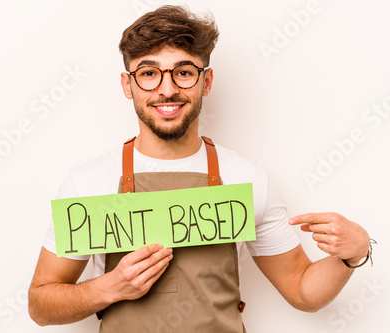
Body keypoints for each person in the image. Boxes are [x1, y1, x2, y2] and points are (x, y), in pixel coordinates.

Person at [28, 5, 371, 332]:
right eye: (148, 73)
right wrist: (109, 287)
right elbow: (40, 305)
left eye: (184, 73)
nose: (167, 89)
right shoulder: (89, 182)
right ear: (127, 84)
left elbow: (302, 290)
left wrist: (353, 255)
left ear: (205, 82)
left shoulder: (247, 179)